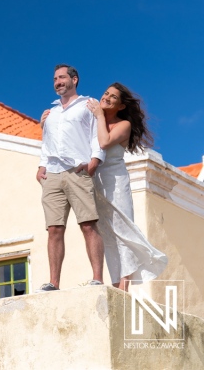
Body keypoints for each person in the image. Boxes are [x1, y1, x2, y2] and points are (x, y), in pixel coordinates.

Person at [85, 83, 167, 290]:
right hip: (96, 183)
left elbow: (104, 143)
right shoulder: (93, 122)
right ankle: (114, 282)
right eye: (106, 93)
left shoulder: (123, 125)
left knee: (123, 231)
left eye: (113, 97)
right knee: (106, 233)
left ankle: (124, 286)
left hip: (116, 183)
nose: (107, 98)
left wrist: (99, 116)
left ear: (121, 106)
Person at [36, 64, 105, 291]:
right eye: (55, 78)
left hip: (78, 170)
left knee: (88, 224)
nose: (58, 82)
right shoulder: (51, 113)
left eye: (62, 77)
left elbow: (97, 134)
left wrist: (95, 159)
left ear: (75, 79)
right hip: (53, 173)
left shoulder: (88, 105)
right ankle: (54, 282)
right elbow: (47, 143)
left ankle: (97, 278)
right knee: (54, 229)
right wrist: (41, 165)